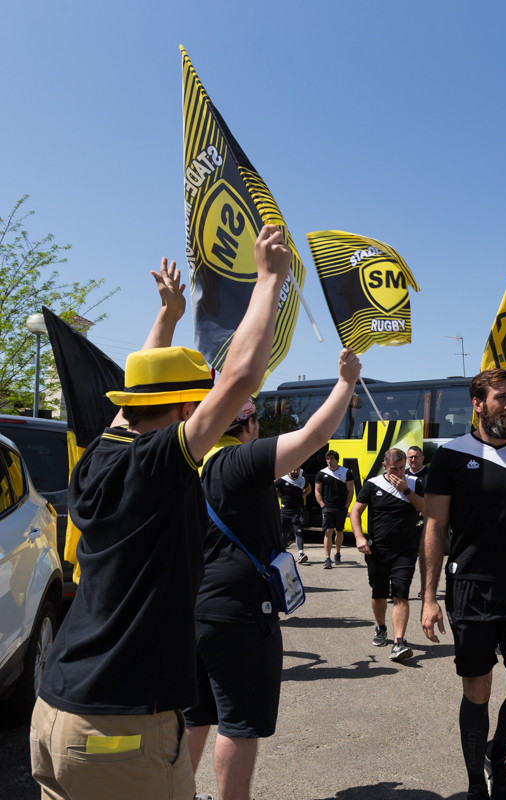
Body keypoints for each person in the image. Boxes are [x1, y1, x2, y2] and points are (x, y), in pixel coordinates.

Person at [31, 227, 291, 800]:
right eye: (198, 404)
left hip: (55, 711)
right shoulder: (157, 464)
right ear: (183, 410)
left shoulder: (101, 452)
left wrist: (168, 318)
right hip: (119, 729)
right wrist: (268, 281)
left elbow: (141, 387)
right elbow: (243, 376)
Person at [187, 349, 361, 800]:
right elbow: (313, 435)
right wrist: (346, 382)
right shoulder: (237, 461)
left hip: (192, 607)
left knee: (194, 715)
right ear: (247, 424)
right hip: (240, 612)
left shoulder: (189, 462)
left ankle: (174, 794)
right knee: (239, 722)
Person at [419, 368, 506, 800]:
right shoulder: (451, 456)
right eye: (501, 398)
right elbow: (434, 526)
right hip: (470, 587)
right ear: (478, 404)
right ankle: (476, 781)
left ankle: (498, 753)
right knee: (477, 691)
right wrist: (428, 597)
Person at [351, 447, 425, 662]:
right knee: (379, 593)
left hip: (405, 550)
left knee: (401, 593)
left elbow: (426, 508)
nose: (399, 472)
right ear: (385, 466)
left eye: (402, 468)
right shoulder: (373, 484)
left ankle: (399, 642)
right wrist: (359, 537)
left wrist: (406, 491)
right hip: (377, 550)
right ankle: (381, 627)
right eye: (394, 469)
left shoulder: (414, 484)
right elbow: (356, 511)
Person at [315, 449, 354, 569]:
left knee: (339, 531)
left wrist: (347, 506)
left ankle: (337, 553)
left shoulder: (346, 472)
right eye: (327, 458)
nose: (329, 461)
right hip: (327, 507)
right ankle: (327, 558)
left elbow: (350, 490)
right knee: (328, 531)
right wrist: (322, 505)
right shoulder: (321, 473)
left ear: (337, 459)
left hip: (341, 507)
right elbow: (317, 490)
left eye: (331, 458)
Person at [275, 467, 311, 562]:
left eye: (297, 470)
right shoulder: (282, 480)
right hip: (285, 510)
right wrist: (280, 496)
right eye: (294, 470)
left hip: (297, 510)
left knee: (298, 531)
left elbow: (308, 489)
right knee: (283, 532)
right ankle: (282, 553)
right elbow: (274, 488)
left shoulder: (302, 480)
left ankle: (301, 553)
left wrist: (302, 495)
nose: (295, 472)